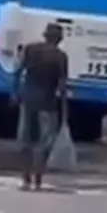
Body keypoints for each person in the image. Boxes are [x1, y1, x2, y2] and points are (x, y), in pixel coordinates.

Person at [11, 22, 69, 191]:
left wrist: (14, 93)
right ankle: (38, 179)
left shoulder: (30, 50)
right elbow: (62, 86)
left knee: (24, 139)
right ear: (59, 39)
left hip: (28, 100)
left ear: (45, 36)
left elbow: (17, 72)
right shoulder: (60, 57)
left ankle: (25, 178)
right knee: (44, 142)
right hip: (48, 104)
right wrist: (64, 111)